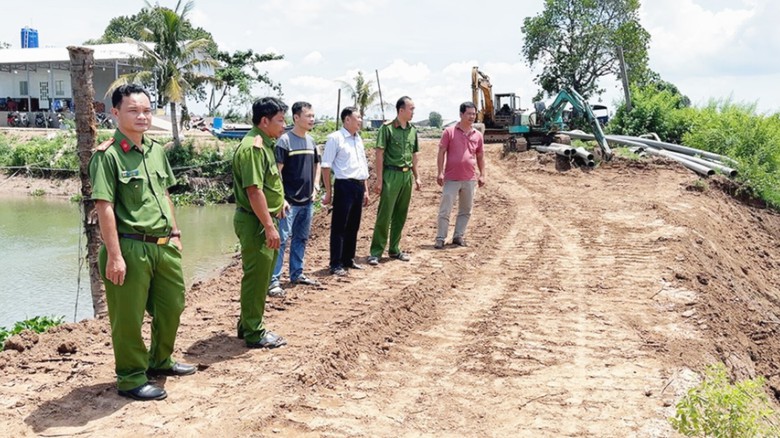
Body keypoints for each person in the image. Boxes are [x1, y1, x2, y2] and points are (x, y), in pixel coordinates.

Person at [89, 84, 195, 402]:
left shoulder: (156, 150)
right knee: (128, 317)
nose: (142, 116)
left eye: (147, 110)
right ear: (116, 113)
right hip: (130, 246)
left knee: (172, 306)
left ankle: (160, 360)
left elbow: (163, 194)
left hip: (163, 245)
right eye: (133, 110)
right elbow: (104, 206)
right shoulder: (107, 156)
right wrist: (115, 256)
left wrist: (175, 234)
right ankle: (131, 377)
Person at [232, 97, 289, 349]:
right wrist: (268, 225)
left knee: (261, 276)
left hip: (261, 219)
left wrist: (280, 202)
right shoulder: (253, 148)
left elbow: (268, 184)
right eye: (279, 120)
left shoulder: (265, 144)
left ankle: (247, 324)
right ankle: (254, 332)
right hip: (255, 222)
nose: (283, 125)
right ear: (264, 121)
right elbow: (254, 190)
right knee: (257, 278)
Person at [268, 101, 322, 297]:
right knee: (281, 241)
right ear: (296, 118)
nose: (312, 119)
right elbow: (277, 174)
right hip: (289, 203)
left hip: (307, 202)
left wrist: (316, 186)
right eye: (308, 116)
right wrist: (281, 198)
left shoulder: (312, 141)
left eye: (313, 116)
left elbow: (317, 166)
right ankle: (273, 281)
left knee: (301, 238)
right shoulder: (285, 141)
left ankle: (297, 273)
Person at [367, 96, 421, 265]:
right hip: (391, 174)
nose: (413, 112)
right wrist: (379, 180)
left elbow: (414, 155)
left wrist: (417, 176)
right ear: (401, 110)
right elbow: (379, 154)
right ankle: (376, 251)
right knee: (385, 214)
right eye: (411, 109)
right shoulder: (387, 129)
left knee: (400, 214)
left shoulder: (412, 130)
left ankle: (394, 249)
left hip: (406, 176)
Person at [321, 106, 370, 276]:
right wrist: (329, 191)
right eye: (358, 117)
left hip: (358, 185)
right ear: (347, 119)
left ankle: (349, 259)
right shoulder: (335, 138)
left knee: (353, 225)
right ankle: (336, 263)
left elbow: (362, 165)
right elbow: (326, 166)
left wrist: (365, 190)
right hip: (343, 185)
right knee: (339, 226)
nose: (360, 121)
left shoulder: (358, 139)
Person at [434, 101, 486, 249]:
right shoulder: (449, 132)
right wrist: (440, 172)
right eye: (469, 114)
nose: (472, 117)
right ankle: (440, 238)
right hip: (451, 178)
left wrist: (482, 174)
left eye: (474, 114)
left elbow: (480, 156)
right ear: (461, 114)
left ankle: (458, 236)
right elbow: (441, 152)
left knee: (466, 210)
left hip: (469, 179)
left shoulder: (478, 135)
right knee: (445, 210)